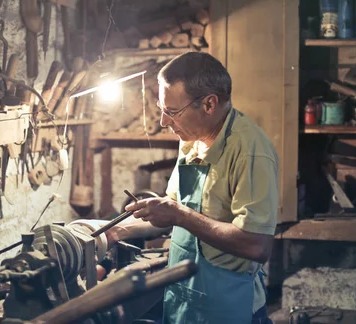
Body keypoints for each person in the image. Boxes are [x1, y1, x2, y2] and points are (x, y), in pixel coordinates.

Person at [107, 52, 279, 324]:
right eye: (161, 109)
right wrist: (113, 231)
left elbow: (256, 245)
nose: (164, 122)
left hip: (228, 308)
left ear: (209, 104)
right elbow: (171, 212)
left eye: (172, 112)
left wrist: (179, 215)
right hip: (184, 301)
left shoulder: (249, 151)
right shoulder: (192, 139)